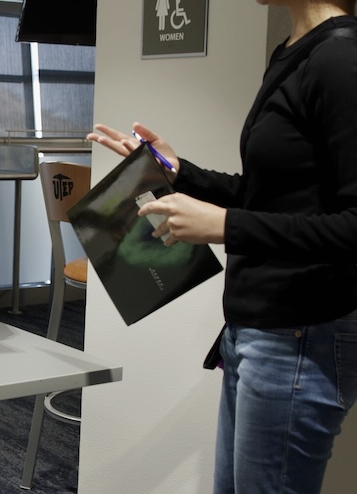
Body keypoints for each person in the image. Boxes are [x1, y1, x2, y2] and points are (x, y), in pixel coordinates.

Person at [87, 2, 357, 493]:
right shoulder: (293, 52)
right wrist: (179, 172)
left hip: (300, 335)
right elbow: (267, 195)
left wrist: (226, 226)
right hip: (254, 329)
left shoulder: (342, 59)